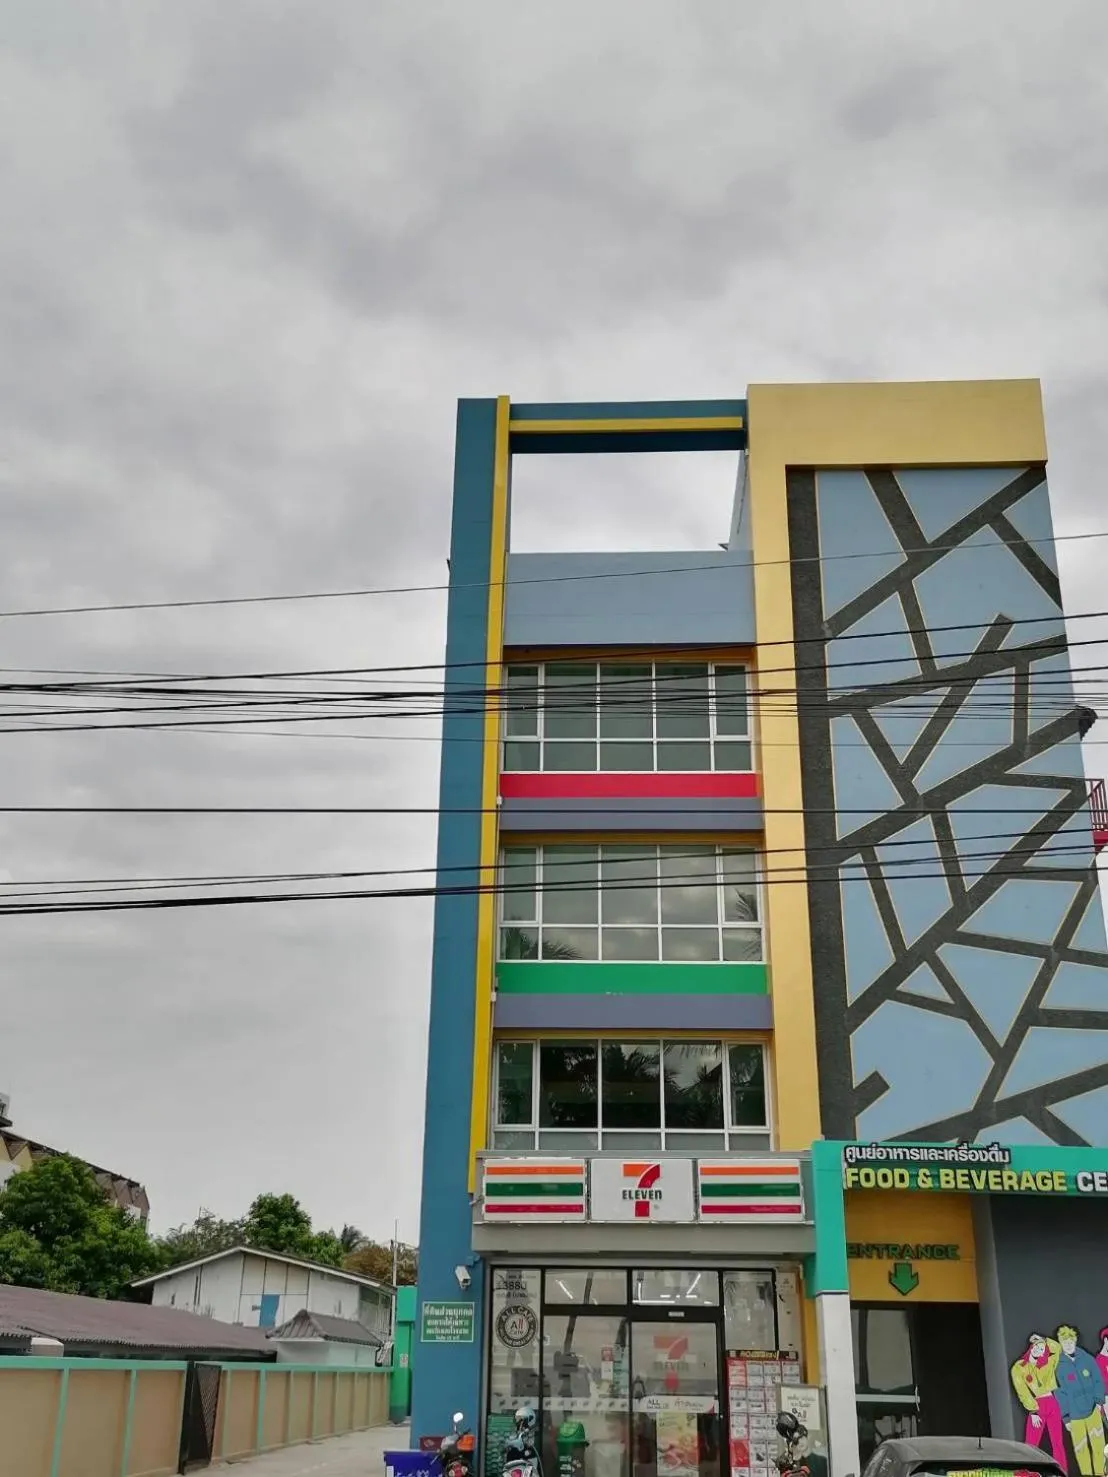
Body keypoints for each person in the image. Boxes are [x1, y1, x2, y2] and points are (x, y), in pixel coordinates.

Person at [1054, 1326, 1106, 1476]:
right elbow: (1060, 1394)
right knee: (1081, 1450)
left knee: (1099, 1446)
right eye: (1065, 1342)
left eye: (1070, 1341)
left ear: (1075, 1340)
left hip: (1092, 1411)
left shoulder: (1087, 1359)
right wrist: (1066, 1417)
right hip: (1075, 1417)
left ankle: (1101, 1474)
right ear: (1060, 1343)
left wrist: (1098, 1401)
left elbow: (1098, 1380)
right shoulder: (1058, 1366)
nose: (1068, 1345)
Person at [1011, 1333, 1066, 1468]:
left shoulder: (1048, 1363)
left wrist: (1043, 1339)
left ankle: (1062, 1472)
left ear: (1044, 1353)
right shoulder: (1019, 1367)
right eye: (1036, 1346)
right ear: (1031, 1346)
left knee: (1057, 1443)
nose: (1038, 1349)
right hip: (1037, 1405)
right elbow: (1022, 1391)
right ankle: (1026, 1473)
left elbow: (1058, 1348)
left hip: (1052, 1403)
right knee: (1031, 1444)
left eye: (1042, 1348)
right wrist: (1033, 1411)